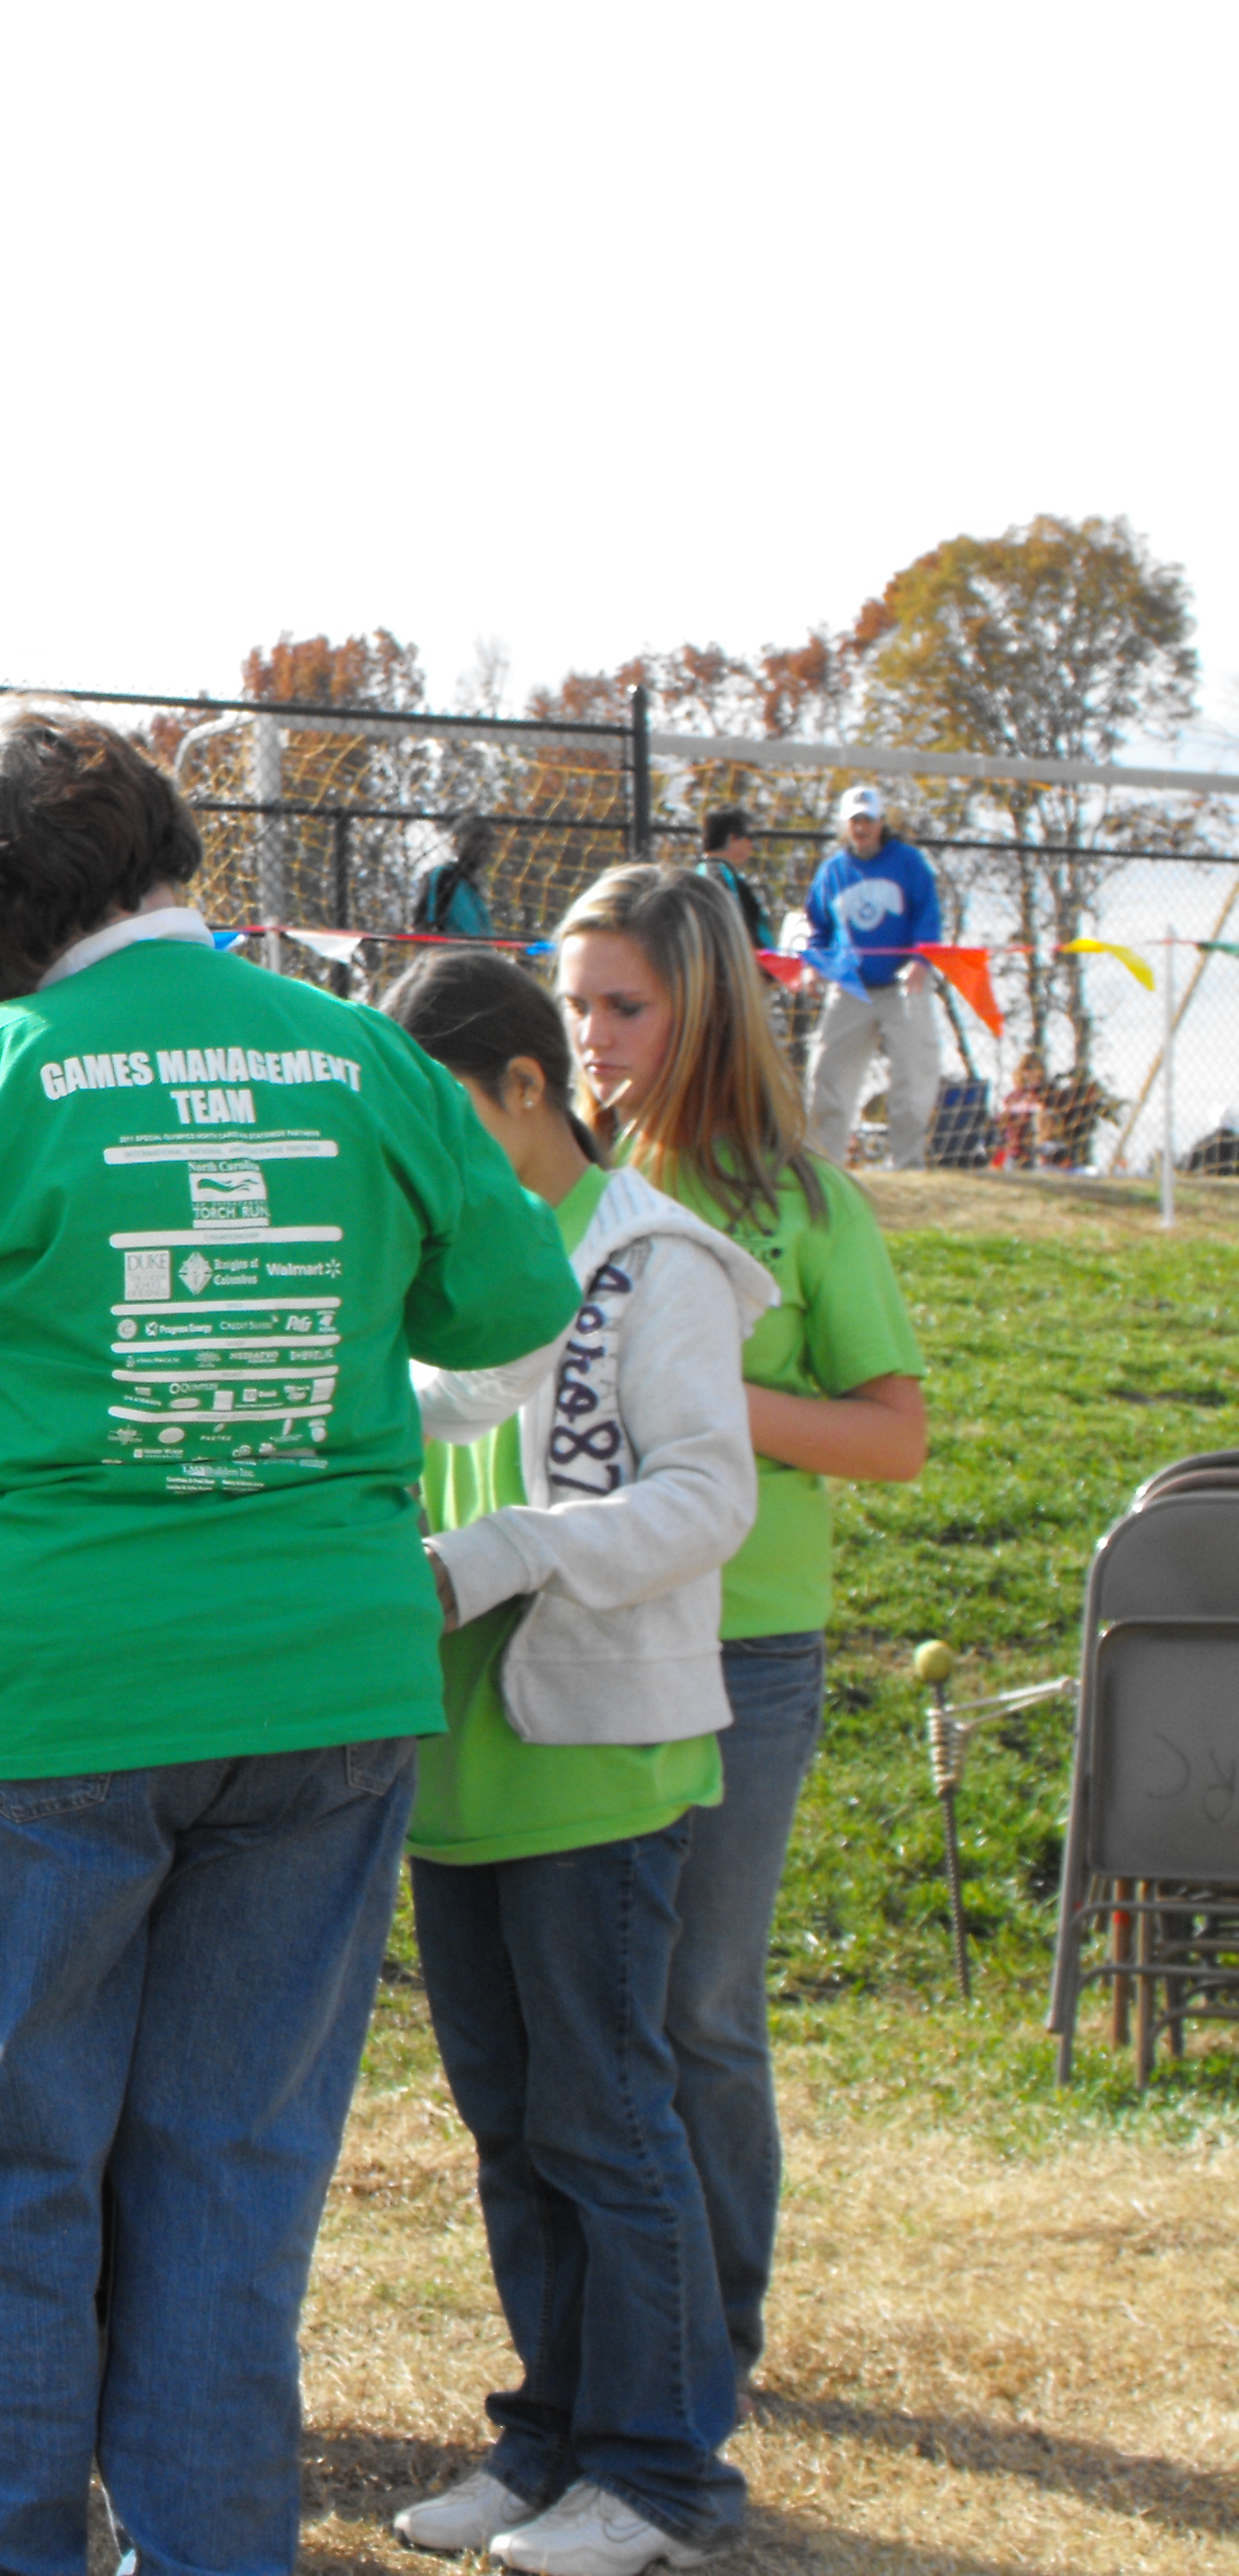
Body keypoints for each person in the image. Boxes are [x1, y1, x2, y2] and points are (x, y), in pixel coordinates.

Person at [0, 703, 577, 2576]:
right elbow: (519, 1308)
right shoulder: (365, 1059)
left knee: (5, 2177)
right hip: (322, 1683)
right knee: (234, 2180)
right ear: (165, 861)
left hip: (35, 1690)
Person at [375, 946, 773, 2575]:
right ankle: (544, 2439)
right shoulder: (451, 1255)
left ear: (524, 1088)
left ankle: (660, 2474)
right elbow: (442, 1410)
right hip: (459, 1772)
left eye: (444, 1117)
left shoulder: (654, 1258)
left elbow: (707, 1496)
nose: (426, 1159)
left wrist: (498, 1555)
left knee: (607, 2124)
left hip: (599, 1758)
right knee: (507, 2126)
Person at [553, 862, 925, 2416]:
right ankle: (602, 2336)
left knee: (696, 2006)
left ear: (700, 1004)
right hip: (563, 1634)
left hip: (743, 1651)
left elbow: (891, 1438)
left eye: (620, 1006)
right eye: (571, 1006)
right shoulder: (547, 1184)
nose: (589, 1039)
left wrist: (701, 1398)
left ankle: (716, 2338)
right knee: (586, 2018)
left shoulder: (799, 1198)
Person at [798, 786, 944, 1168]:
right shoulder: (832, 871)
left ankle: (908, 1166)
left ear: (882, 823)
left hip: (903, 986)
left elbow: (928, 915)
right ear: (845, 826)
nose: (861, 827)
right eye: (854, 821)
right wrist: (813, 965)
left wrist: (921, 959)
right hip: (851, 988)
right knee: (827, 1075)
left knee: (912, 1079)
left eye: (868, 820)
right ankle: (826, 1169)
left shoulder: (908, 862)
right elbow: (817, 928)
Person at [693, 810, 773, 953]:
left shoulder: (720, 872)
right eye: (750, 837)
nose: (752, 845)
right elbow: (724, 928)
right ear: (733, 838)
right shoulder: (715, 875)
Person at [414, 813, 500, 942]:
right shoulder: (444, 877)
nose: (484, 845)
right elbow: (424, 926)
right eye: (476, 838)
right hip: (453, 955)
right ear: (456, 841)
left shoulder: (473, 886)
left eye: (489, 840)